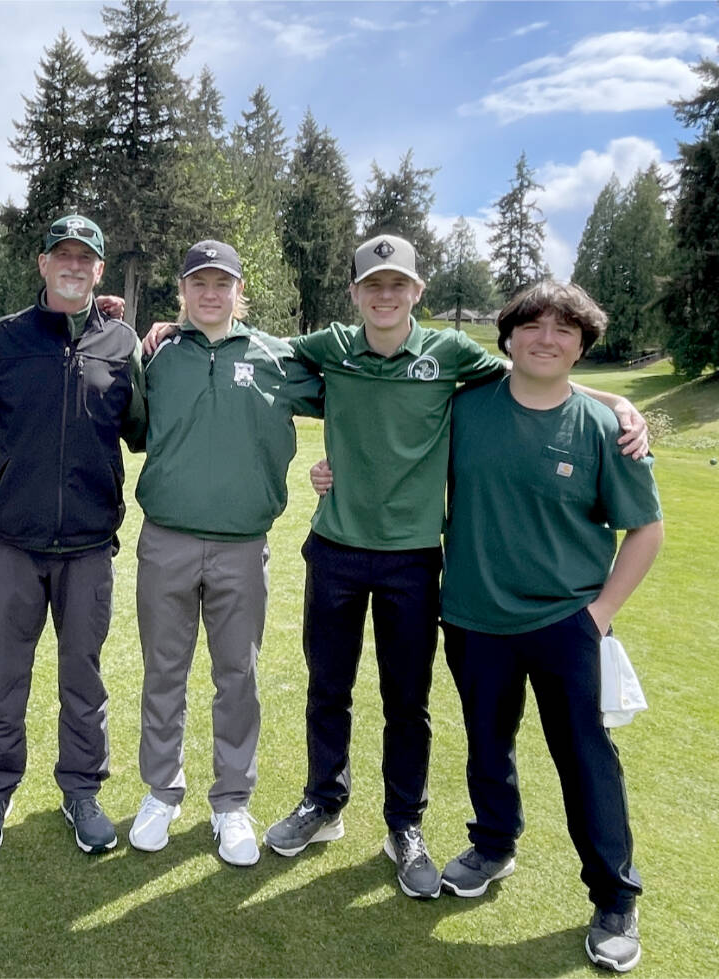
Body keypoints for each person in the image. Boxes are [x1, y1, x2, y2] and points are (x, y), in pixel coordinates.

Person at [260, 234, 648, 900]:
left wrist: (613, 401)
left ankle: (404, 825)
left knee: (406, 704)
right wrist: (166, 327)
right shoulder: (329, 348)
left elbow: (530, 371)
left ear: (418, 292)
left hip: (415, 557)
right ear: (354, 294)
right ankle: (323, 802)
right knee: (329, 689)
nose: (385, 296)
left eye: (398, 285)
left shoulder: (451, 354)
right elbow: (252, 349)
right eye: (371, 285)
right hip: (336, 549)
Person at [438, 281, 661, 972]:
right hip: (474, 616)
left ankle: (615, 895)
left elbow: (645, 531)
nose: (546, 337)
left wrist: (596, 617)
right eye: (531, 324)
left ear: (582, 344)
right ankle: (494, 845)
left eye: (565, 329)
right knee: (486, 745)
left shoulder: (605, 429)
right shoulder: (465, 408)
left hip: (567, 621)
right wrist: (330, 469)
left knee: (586, 758)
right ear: (507, 336)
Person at [128, 240, 323, 866]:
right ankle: (162, 791)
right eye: (198, 284)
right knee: (164, 672)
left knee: (236, 677)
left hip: (243, 546)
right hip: (166, 540)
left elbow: (361, 397)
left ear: (241, 292)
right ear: (181, 293)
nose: (210, 294)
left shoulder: (279, 358)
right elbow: (129, 420)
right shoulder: (158, 357)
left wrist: (339, 462)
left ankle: (232, 800)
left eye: (222, 284)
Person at [0, 214, 147, 855]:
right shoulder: (3, 338)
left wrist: (173, 337)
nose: (73, 265)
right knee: (2, 678)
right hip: (12, 544)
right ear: (42, 264)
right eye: (61, 255)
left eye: (85, 257)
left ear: (98, 269)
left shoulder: (123, 344)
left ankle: (82, 789)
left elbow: (144, 429)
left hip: (90, 547)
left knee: (84, 679)